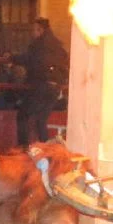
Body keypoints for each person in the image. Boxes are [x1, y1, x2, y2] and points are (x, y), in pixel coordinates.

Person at [12, 17, 69, 146]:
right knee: (41, 119)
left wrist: (12, 58)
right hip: (55, 88)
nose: (33, 33)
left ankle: (23, 148)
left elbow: (29, 59)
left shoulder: (38, 45)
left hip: (41, 86)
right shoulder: (57, 46)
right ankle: (45, 148)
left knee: (23, 115)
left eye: (34, 30)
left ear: (40, 30)